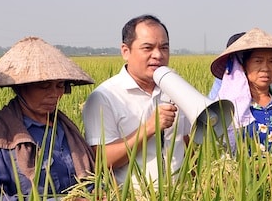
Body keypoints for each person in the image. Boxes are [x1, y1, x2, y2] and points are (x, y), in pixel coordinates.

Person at [0, 37, 96, 201]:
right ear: (21, 87)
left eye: (60, 85)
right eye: (44, 86)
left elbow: (88, 177)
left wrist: (95, 195)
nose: (54, 94)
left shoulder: (67, 131)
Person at [82, 14, 191, 186]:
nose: (158, 55)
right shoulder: (104, 97)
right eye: (148, 48)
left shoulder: (177, 88)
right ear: (126, 51)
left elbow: (186, 143)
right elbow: (101, 160)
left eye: (164, 48)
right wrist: (148, 128)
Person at [209, 27, 272, 152]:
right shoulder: (230, 107)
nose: (265, 68)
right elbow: (218, 149)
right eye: (258, 61)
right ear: (244, 65)